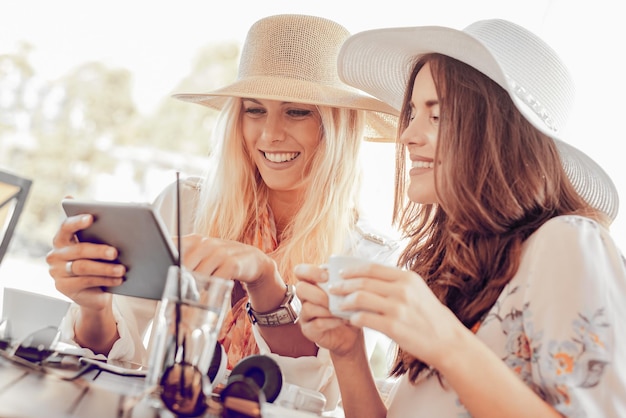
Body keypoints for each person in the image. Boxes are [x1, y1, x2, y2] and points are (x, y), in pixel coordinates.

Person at [45, 14, 399, 407]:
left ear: (339, 128)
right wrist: (93, 306)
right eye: (254, 110)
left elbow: (316, 399)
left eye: (297, 111)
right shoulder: (186, 203)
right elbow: (113, 355)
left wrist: (265, 281)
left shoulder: (367, 254)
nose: (269, 134)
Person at [295, 18, 626, 417]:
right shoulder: (453, 269)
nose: (408, 135)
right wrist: (348, 353)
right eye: (413, 112)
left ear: (502, 134)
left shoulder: (567, 242)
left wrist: (446, 342)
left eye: (438, 116)